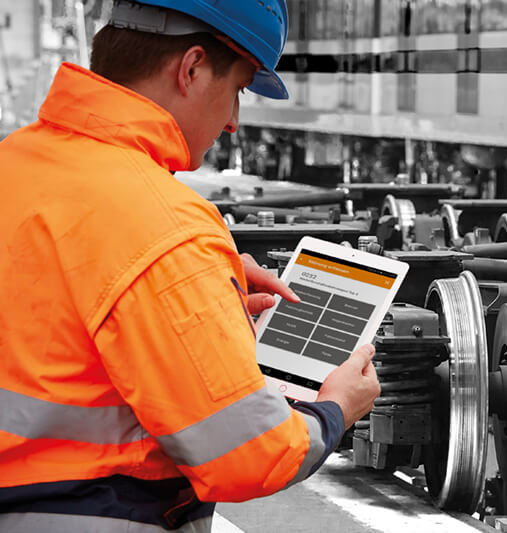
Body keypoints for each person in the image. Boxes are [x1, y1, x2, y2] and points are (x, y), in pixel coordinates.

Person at [0, 1, 380, 531]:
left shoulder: (14, 162)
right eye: (238, 91)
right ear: (193, 68)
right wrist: (334, 410)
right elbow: (249, 454)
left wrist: (200, 291)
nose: (232, 122)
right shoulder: (165, 224)